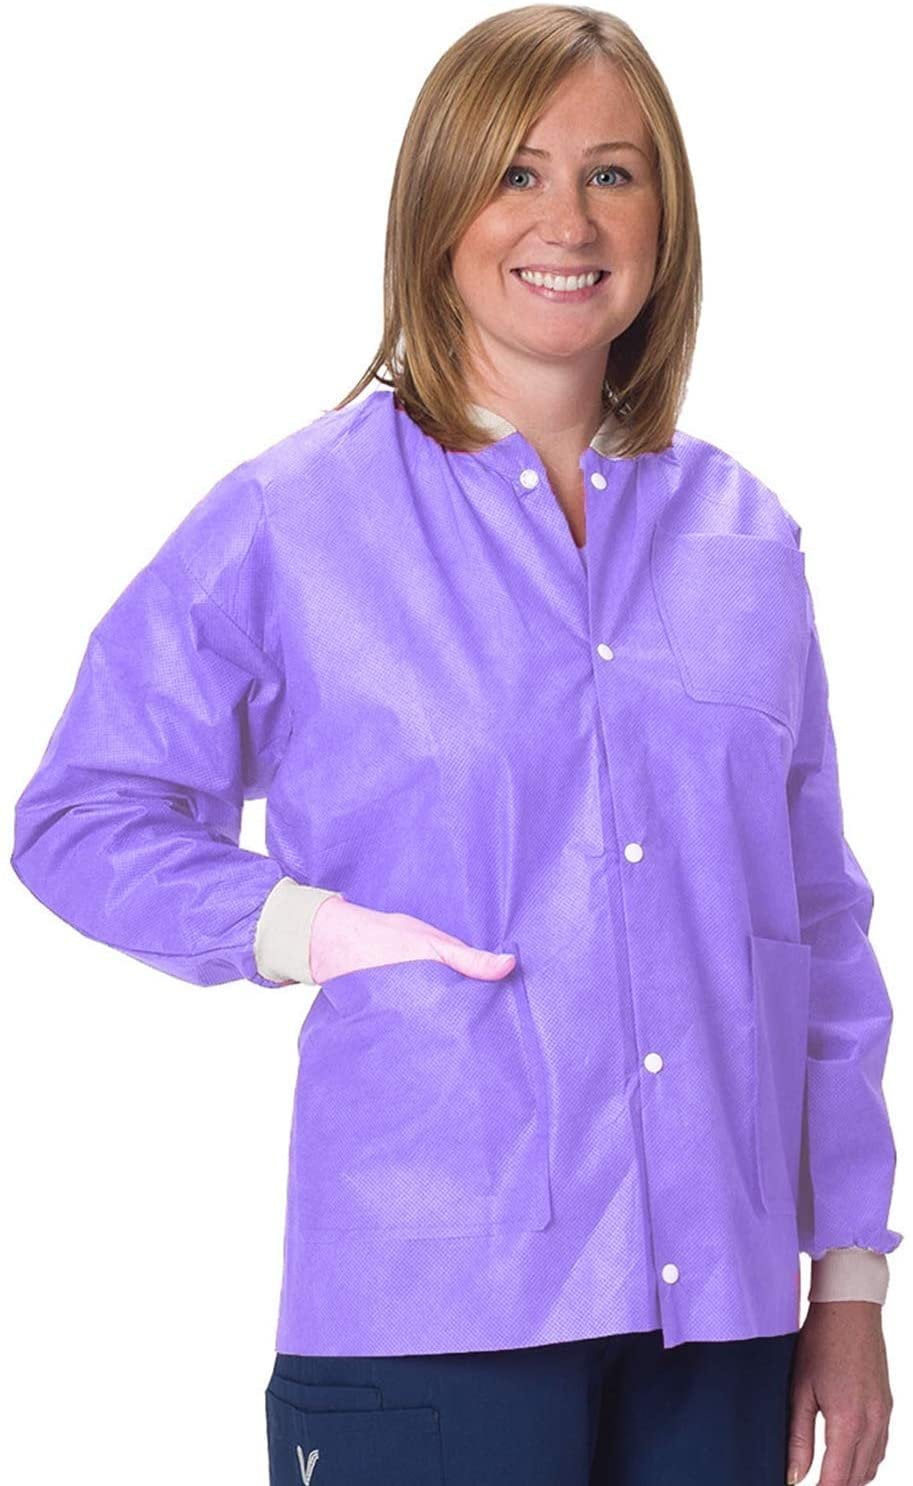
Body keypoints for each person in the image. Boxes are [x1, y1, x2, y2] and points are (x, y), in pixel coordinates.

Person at [10, 7, 901, 1484]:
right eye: (516, 173)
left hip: (723, 1324)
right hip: (428, 1309)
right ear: (437, 208)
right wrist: (310, 931)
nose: (568, 221)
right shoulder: (296, 518)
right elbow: (82, 812)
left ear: (665, 217)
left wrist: (851, 1281)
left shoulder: (743, 535)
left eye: (612, 174)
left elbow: (815, 925)